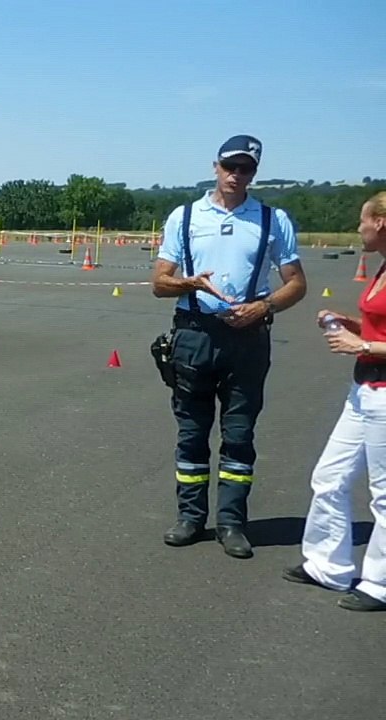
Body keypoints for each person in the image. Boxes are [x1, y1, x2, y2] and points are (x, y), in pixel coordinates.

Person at [150, 134, 307, 559]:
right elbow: (159, 282)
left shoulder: (273, 219)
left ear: (254, 173)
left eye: (246, 169)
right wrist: (190, 283)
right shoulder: (185, 216)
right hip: (194, 334)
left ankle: (232, 523)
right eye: (230, 166)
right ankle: (190, 517)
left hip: (247, 338)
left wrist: (264, 306)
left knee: (239, 434)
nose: (236, 175)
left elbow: (296, 283)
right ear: (215, 167)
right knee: (191, 432)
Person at [283, 191, 386, 612]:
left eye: (362, 221)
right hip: (364, 389)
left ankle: (380, 583)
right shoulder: (382, 266)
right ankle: (328, 565)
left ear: (380, 223)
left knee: (383, 493)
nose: (357, 229)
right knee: (329, 476)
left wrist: (362, 344)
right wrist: (353, 324)